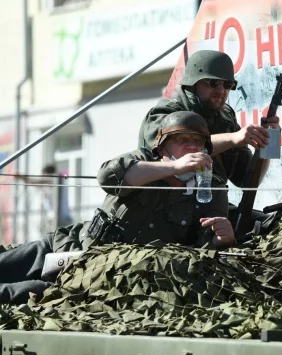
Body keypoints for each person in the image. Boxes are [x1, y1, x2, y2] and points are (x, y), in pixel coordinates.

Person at [0, 111, 235, 304]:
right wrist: (175, 169)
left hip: (102, 275)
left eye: (197, 142)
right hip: (70, 246)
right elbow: (108, 177)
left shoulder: (210, 189)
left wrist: (220, 239)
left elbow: (198, 250)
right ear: (163, 147)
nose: (191, 148)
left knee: (25, 294)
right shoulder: (143, 160)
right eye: (182, 141)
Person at [138, 50, 279, 192]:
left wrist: (269, 141)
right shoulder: (166, 113)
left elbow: (248, 180)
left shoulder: (225, 117)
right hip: (166, 204)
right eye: (214, 83)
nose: (221, 90)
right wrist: (232, 138)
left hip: (212, 203)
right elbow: (180, 157)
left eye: (227, 85)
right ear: (193, 82)